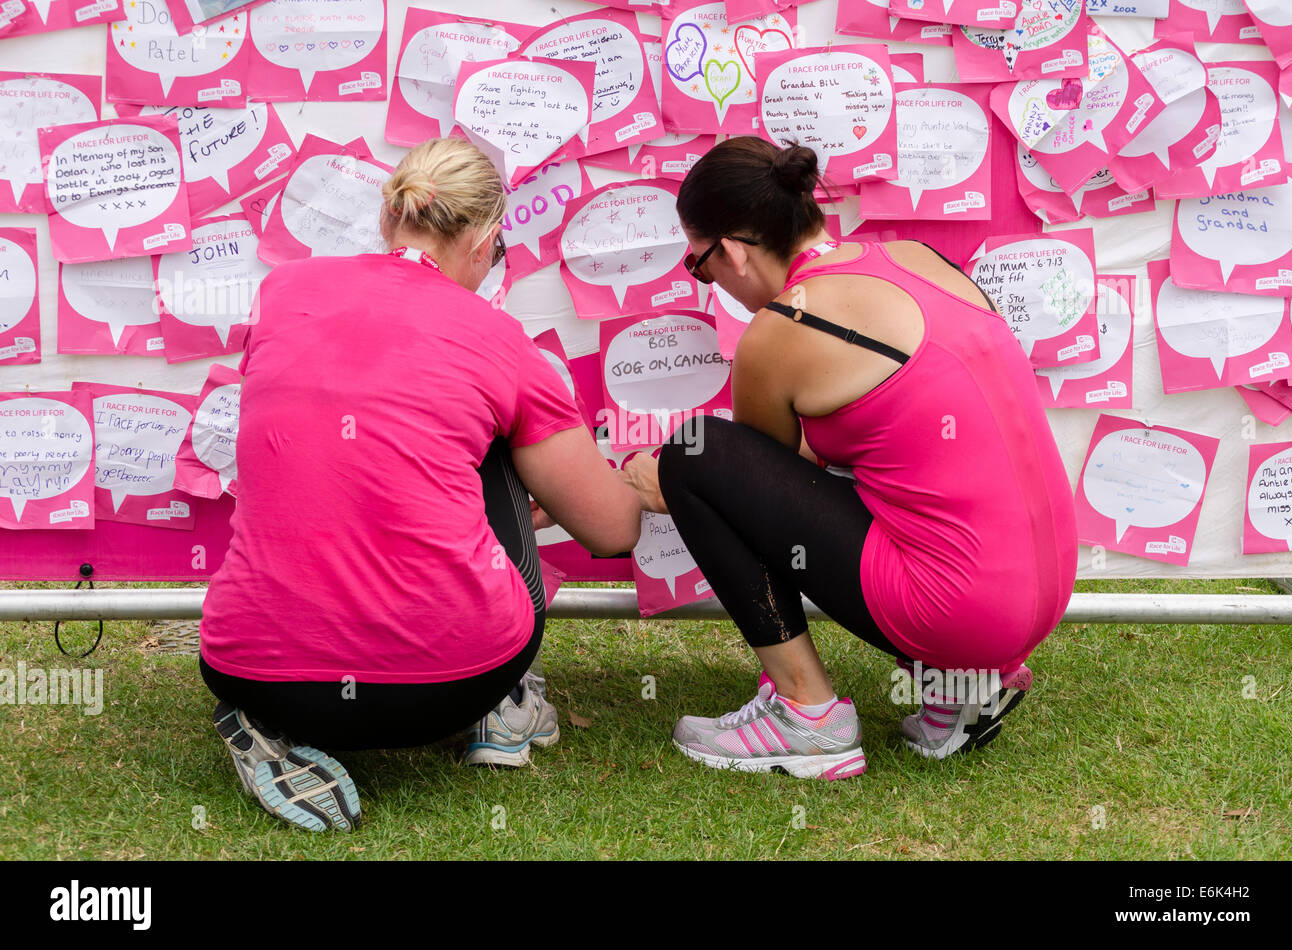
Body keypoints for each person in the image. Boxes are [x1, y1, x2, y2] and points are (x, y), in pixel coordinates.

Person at [198, 138, 642, 831]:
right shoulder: (500, 338)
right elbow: (612, 530)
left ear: (387, 220)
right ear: (487, 241)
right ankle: (507, 705)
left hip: (250, 671)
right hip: (452, 688)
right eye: (497, 255)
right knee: (496, 434)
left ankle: (267, 726)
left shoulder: (283, 293)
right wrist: (643, 479)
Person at [620, 137, 1078, 778]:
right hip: (1044, 588)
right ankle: (961, 687)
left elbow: (755, 485)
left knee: (700, 453)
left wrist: (661, 479)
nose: (711, 281)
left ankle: (808, 716)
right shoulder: (915, 258)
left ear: (732, 252)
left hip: (959, 608)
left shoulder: (781, 328)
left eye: (700, 266)